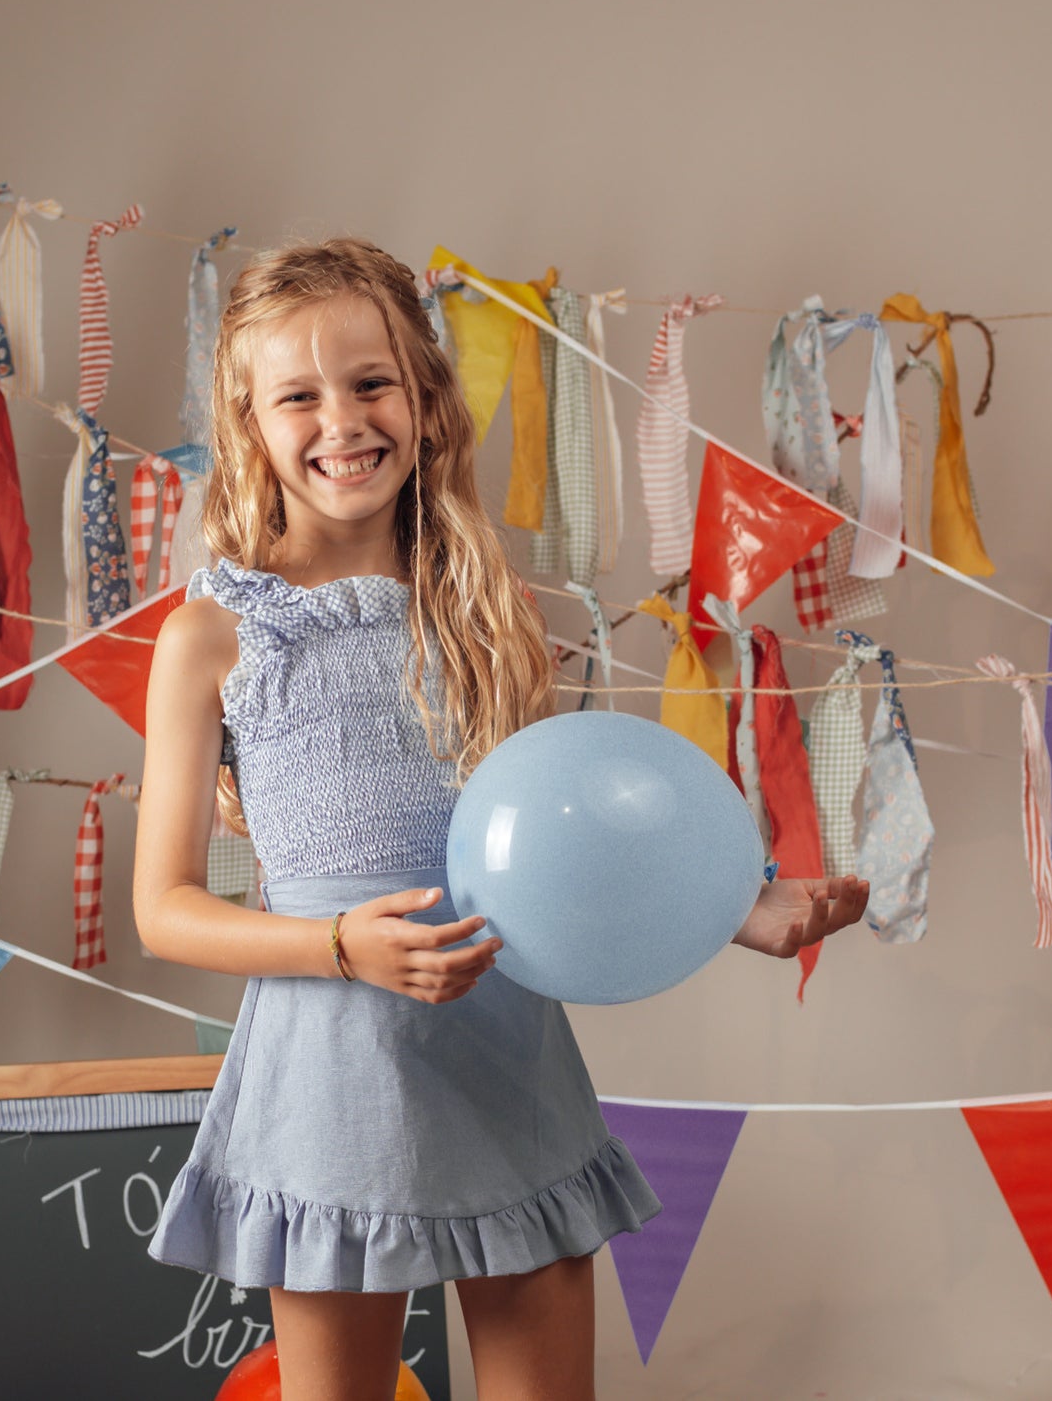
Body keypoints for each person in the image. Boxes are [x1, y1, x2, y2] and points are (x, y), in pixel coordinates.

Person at [133, 237, 869, 1401]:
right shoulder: (213, 637)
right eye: (298, 395)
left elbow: (555, 841)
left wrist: (739, 904)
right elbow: (164, 908)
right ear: (249, 423)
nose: (342, 418)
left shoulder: (485, 610)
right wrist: (340, 946)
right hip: (331, 1071)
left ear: (426, 402)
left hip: (501, 1053)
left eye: (370, 382)